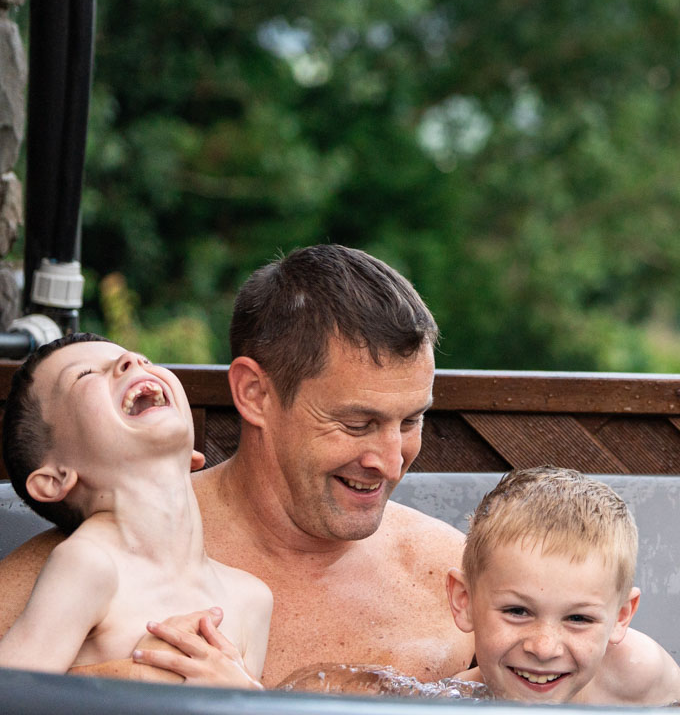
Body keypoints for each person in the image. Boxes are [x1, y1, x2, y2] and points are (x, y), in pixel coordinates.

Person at [0, 245, 472, 685]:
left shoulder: (465, 578)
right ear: (254, 394)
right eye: (356, 423)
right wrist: (110, 684)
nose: (391, 464)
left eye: (412, 420)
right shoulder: (72, 567)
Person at [0, 334, 269, 685]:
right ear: (56, 478)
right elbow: (12, 693)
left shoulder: (251, 599)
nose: (132, 360)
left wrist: (243, 690)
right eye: (84, 375)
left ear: (193, 457)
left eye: (143, 358)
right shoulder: (89, 565)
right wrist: (132, 678)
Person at [446, 467, 680, 705]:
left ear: (621, 616)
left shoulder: (637, 672)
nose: (544, 648)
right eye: (517, 611)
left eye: (578, 618)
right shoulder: (456, 699)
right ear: (464, 601)